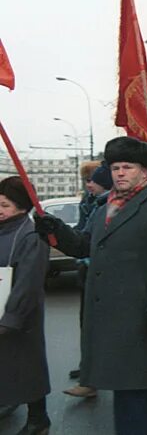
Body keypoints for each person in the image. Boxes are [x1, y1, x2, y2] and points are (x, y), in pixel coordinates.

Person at [34, 137, 147, 435]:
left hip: (139, 314)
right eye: (115, 167)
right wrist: (56, 230)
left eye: (127, 167)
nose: (119, 173)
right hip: (107, 314)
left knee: (134, 392)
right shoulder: (105, 207)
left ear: (144, 172)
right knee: (130, 392)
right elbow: (83, 245)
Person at [0, 177, 51, 435]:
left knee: (26, 367)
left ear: (21, 207)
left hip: (22, 314)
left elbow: (29, 282)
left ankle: (38, 418)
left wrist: (11, 317)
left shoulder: (30, 234)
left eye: (5, 205)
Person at [65, 162, 112, 398]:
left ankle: (93, 375)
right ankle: (89, 372)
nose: (88, 185)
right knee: (87, 324)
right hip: (88, 268)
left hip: (101, 273)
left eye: (91, 181)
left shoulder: (108, 206)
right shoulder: (90, 202)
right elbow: (83, 236)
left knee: (97, 326)